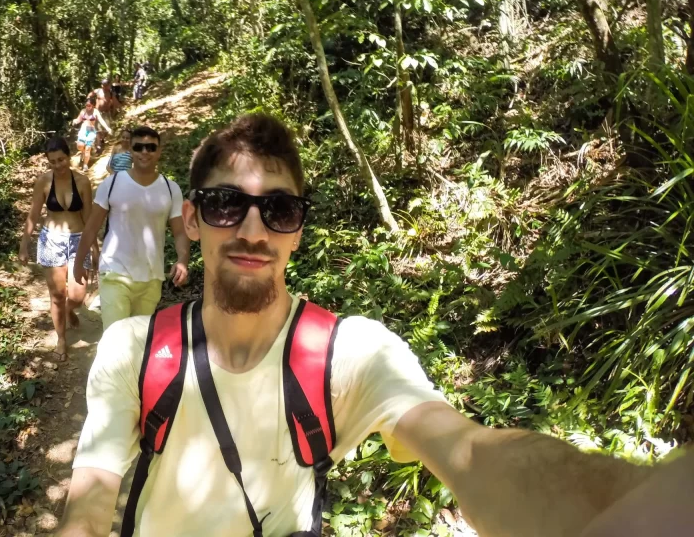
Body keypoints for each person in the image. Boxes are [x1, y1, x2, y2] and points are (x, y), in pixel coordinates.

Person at [56, 114, 694, 537]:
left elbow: (465, 449)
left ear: (298, 230)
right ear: (193, 219)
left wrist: (622, 505)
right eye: (228, 205)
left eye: (277, 210)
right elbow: (90, 500)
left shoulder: (346, 353)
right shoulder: (134, 349)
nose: (253, 230)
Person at [73, 125, 189, 329]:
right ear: (131, 151)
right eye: (139, 147)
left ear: (159, 151)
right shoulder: (112, 184)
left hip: (152, 278)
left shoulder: (171, 190)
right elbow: (91, 227)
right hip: (115, 272)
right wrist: (79, 262)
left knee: (140, 344)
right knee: (115, 342)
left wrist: (182, 260)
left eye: (151, 147)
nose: (145, 152)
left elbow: (180, 232)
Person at [18, 137, 95, 362]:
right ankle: (61, 338)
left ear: (69, 157)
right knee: (57, 295)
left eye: (61, 159)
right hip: (51, 239)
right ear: (48, 162)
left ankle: (70, 310)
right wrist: (24, 244)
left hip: (78, 240)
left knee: (78, 295)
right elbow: (33, 214)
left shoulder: (82, 182)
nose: (58, 165)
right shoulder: (43, 181)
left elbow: (89, 217)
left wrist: (95, 249)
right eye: (53, 161)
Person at [72, 99, 111, 171]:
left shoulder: (95, 112)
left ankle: (85, 165)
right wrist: (75, 121)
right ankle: (82, 152)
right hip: (83, 130)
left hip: (91, 131)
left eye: (89, 105)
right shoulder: (83, 111)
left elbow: (101, 120)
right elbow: (78, 120)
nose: (87, 107)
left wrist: (107, 128)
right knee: (80, 146)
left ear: (93, 105)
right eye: (86, 105)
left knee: (88, 149)